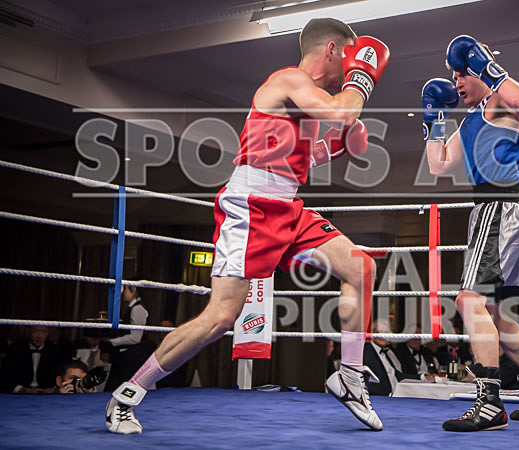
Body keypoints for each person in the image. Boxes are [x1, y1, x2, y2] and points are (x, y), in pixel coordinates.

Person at [104, 18, 390, 434]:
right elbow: (341, 111)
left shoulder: (303, 106)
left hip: (287, 208)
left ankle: (349, 374)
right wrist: (363, 77)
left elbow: (302, 160)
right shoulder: (288, 79)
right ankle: (128, 394)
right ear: (331, 50)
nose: (349, 67)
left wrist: (339, 146)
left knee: (360, 267)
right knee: (221, 317)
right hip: (251, 206)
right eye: (348, 57)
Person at [424, 35, 519, 432]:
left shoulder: (501, 101)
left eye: (463, 72)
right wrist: (432, 119)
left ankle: (489, 403)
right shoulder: (471, 118)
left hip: (500, 209)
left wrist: (486, 66)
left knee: (468, 301)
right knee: (498, 313)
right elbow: (439, 165)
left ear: (479, 69)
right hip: (498, 213)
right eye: (454, 75)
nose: (458, 81)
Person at [105, 284, 151, 392]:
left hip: (133, 358)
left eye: (125, 288)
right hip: (128, 356)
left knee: (120, 388)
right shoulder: (133, 307)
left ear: (133, 289)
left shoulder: (138, 308)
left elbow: (136, 337)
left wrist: (112, 342)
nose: (123, 292)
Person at [1, 325, 61, 394]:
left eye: (44, 332)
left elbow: (61, 374)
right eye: (35, 331)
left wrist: (54, 389)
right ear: (29, 332)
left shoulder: (54, 350)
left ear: (48, 333)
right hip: (19, 395)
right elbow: (5, 375)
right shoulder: (16, 349)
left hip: (46, 396)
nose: (39, 336)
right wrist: (22, 389)